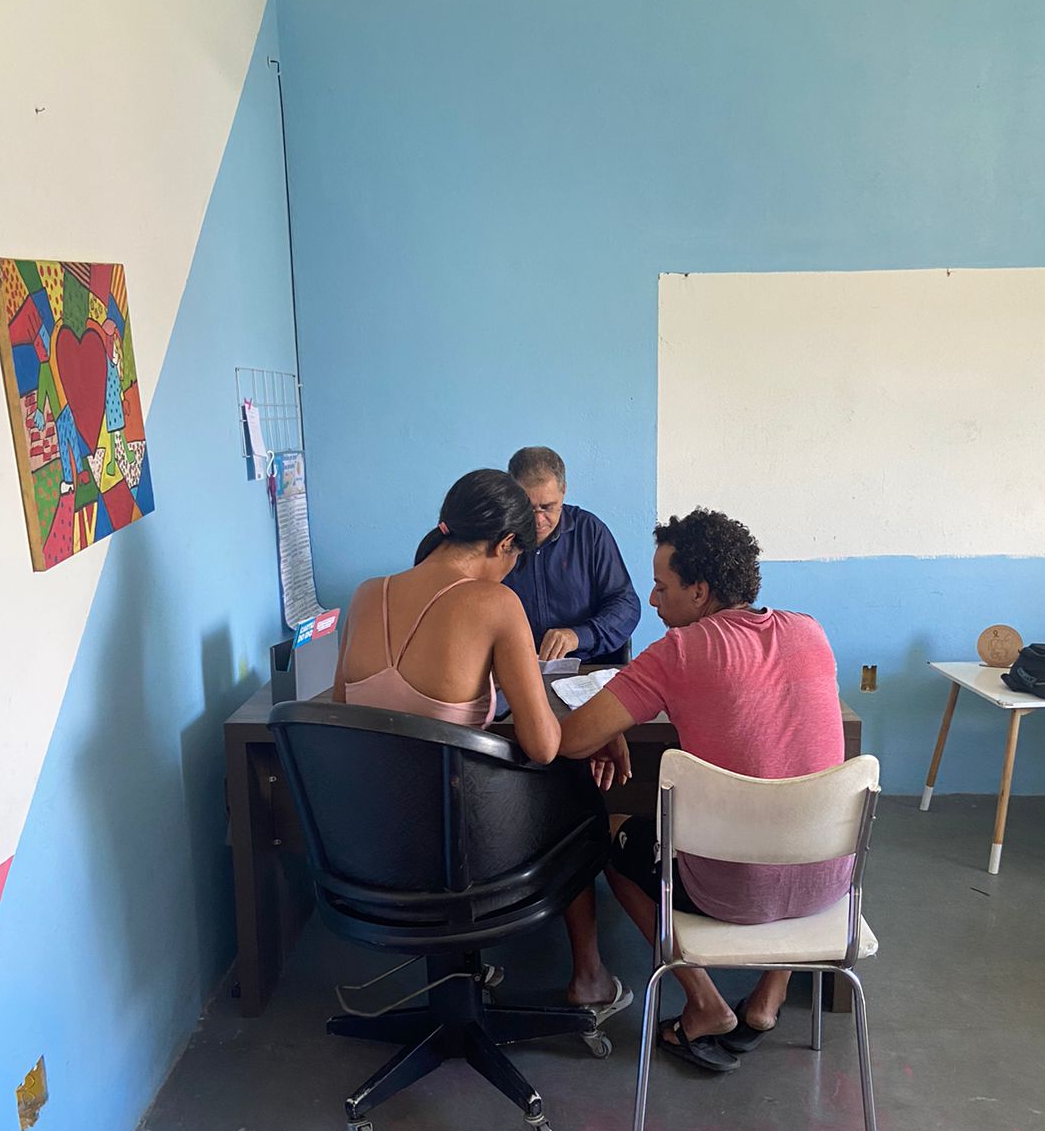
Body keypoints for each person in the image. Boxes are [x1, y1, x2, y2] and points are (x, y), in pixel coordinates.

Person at [558, 507, 850, 1072]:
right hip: (829, 882)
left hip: (731, 891)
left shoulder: (679, 651)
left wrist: (609, 729)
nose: (652, 599)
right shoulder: (810, 631)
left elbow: (570, 741)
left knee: (612, 837)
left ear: (700, 591)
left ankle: (704, 1003)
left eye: (662, 586)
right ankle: (766, 1001)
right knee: (790, 809)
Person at [333, 468, 629, 1017]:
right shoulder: (496, 603)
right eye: (517, 557)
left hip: (369, 844)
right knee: (581, 800)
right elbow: (543, 745)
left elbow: (340, 716)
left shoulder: (366, 594)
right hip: (462, 855)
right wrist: (603, 728)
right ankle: (588, 976)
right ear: (505, 543)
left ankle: (460, 973)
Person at [504, 446, 640, 664]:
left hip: (585, 666)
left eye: (547, 507)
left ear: (563, 491)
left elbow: (626, 605)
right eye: (528, 508)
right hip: (515, 666)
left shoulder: (590, 532)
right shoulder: (497, 539)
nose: (538, 520)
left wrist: (579, 636)